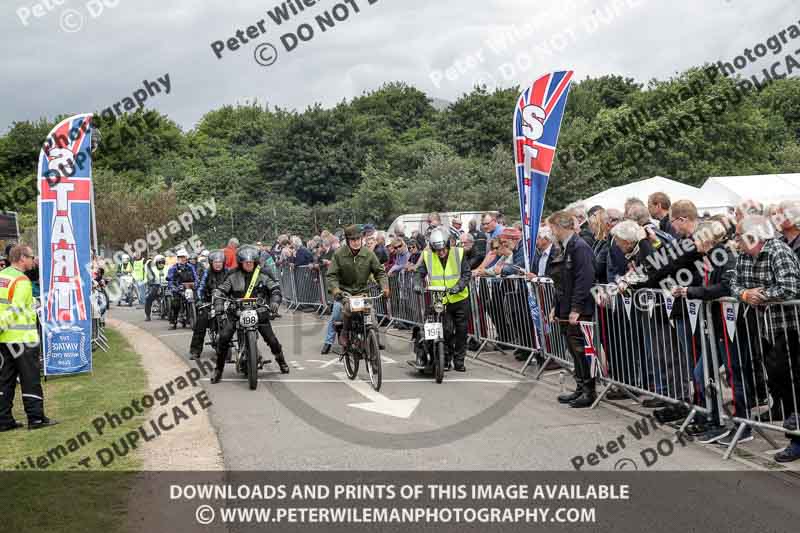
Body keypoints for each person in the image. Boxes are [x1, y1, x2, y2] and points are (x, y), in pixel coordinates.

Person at [730, 215, 800, 462]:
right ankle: (794, 434)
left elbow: (791, 288)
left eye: (738, 236)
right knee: (778, 382)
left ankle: (796, 440)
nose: (736, 241)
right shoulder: (743, 256)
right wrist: (746, 293)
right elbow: (734, 285)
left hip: (787, 327)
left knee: (791, 382)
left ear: (753, 236)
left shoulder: (777, 251)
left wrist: (762, 296)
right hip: (763, 328)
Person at [0, 245, 58, 431]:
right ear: (22, 258)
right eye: (32, 257)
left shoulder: (3, 276)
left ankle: (3, 420)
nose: (34, 260)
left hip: (5, 340)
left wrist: (33, 302)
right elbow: (15, 309)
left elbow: (12, 303)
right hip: (23, 339)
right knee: (30, 379)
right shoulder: (22, 281)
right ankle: (36, 419)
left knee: (5, 380)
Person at [213, 245, 289, 382]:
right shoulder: (232, 274)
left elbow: (275, 289)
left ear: (255, 261)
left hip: (259, 311)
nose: (248, 264)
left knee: (271, 340)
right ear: (240, 262)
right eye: (245, 262)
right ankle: (218, 369)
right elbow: (220, 291)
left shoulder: (264, 273)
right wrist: (218, 305)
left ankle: (281, 361)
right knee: (223, 337)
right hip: (236, 311)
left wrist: (275, 302)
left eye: (251, 262)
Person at [549, 211, 596, 408]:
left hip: (578, 309)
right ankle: (580, 387)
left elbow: (584, 280)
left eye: (551, 228)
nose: (551, 232)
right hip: (565, 307)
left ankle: (589, 391)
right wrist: (555, 307)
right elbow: (561, 282)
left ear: (560, 227)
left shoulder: (579, 247)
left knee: (580, 350)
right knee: (574, 351)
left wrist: (576, 308)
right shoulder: (565, 247)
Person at [321, 225, 389, 355]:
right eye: (353, 240)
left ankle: (374, 341)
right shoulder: (339, 254)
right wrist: (335, 290)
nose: (356, 242)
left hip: (362, 293)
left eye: (358, 239)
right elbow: (331, 275)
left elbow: (380, 272)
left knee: (372, 319)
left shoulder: (368, 253)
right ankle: (344, 334)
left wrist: (385, 286)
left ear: (362, 239)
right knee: (341, 312)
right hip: (344, 292)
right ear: (347, 240)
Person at [415, 227, 471, 371]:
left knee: (461, 332)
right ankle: (445, 359)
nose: (440, 253)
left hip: (460, 299)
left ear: (447, 245)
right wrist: (417, 283)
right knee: (445, 331)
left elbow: (466, 274)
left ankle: (459, 361)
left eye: (443, 249)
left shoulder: (459, 253)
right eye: (437, 250)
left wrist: (458, 286)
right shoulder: (429, 256)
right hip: (441, 300)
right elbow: (419, 272)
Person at [189, 250, 228, 360]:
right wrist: (200, 300)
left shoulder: (228, 272)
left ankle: (245, 349)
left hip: (226, 302)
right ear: (211, 263)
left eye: (220, 262)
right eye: (215, 262)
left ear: (223, 262)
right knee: (201, 323)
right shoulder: (207, 272)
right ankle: (195, 351)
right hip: (209, 302)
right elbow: (200, 288)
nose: (218, 264)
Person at [166, 249, 198, 330]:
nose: (182, 259)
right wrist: (174, 287)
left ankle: (196, 320)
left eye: (183, 257)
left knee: (198, 301)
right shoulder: (173, 268)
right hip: (178, 289)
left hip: (189, 288)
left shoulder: (190, 267)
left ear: (186, 258)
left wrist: (196, 284)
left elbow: (196, 277)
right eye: (180, 257)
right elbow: (170, 280)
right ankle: (173, 322)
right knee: (175, 303)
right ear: (178, 258)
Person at [144, 254, 167, 321]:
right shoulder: (153, 269)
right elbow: (149, 277)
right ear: (156, 263)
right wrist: (151, 281)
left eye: (163, 262)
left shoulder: (167, 268)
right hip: (156, 286)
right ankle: (147, 315)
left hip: (167, 286)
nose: (161, 264)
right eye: (159, 262)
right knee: (149, 298)